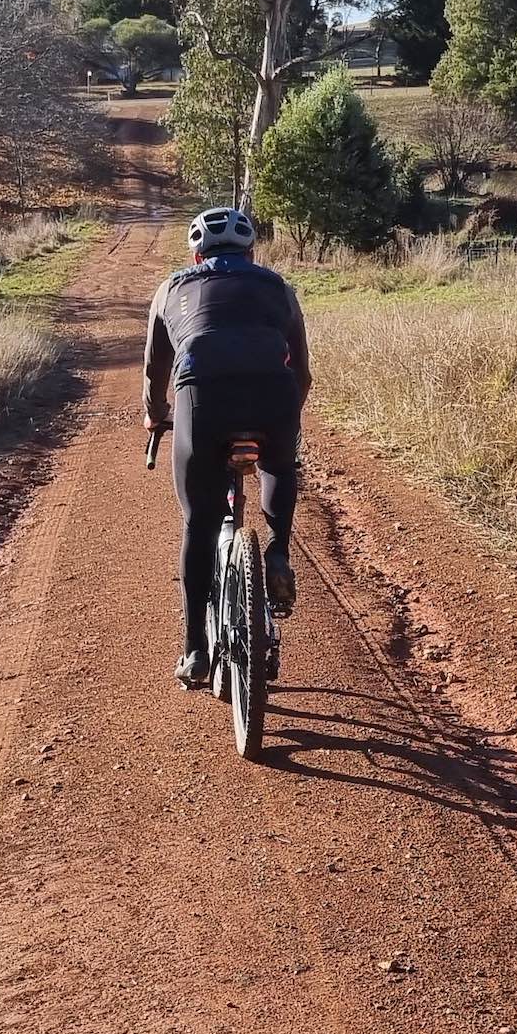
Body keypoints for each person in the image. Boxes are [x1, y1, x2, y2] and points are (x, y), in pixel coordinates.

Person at [143, 206, 310, 690]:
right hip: (273, 394)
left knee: (200, 519)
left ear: (196, 253)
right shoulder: (279, 287)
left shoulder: (172, 287)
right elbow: (300, 372)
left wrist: (155, 414)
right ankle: (278, 552)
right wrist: (284, 420)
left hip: (203, 397)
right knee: (279, 463)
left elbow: (156, 369)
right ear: (251, 252)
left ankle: (194, 648)